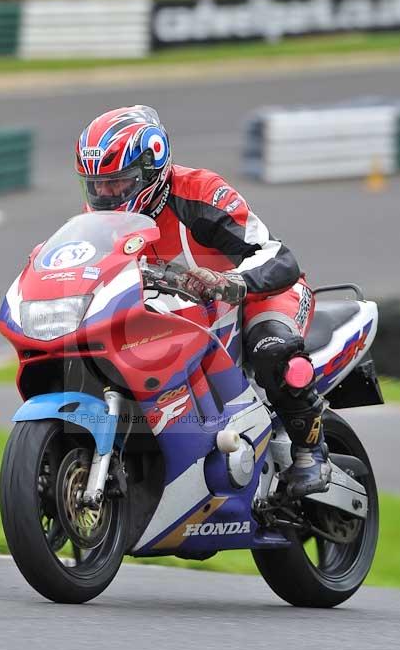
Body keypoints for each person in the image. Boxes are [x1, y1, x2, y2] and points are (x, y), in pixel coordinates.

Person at [75, 105, 330, 498]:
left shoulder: (199, 193)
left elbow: (280, 257)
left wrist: (231, 282)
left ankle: (309, 450)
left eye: (119, 183)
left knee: (270, 348)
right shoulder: (99, 216)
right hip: (184, 314)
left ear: (150, 170)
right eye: (98, 185)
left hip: (259, 295)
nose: (106, 194)